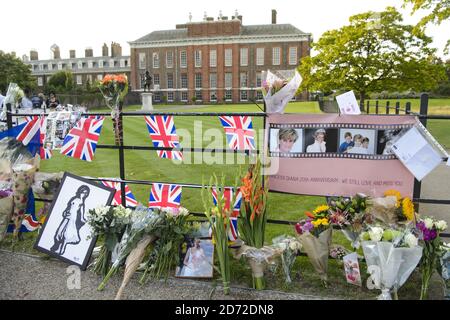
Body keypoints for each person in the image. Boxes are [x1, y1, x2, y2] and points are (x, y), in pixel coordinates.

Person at [50, 185, 90, 255]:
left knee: (66, 234)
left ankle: (61, 250)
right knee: (59, 232)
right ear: (80, 191)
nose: (84, 194)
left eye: (86, 193)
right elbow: (68, 208)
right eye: (83, 192)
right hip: (67, 217)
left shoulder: (82, 203)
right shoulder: (73, 198)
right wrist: (65, 212)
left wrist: (88, 222)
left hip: (72, 219)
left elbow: (82, 217)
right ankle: (57, 247)